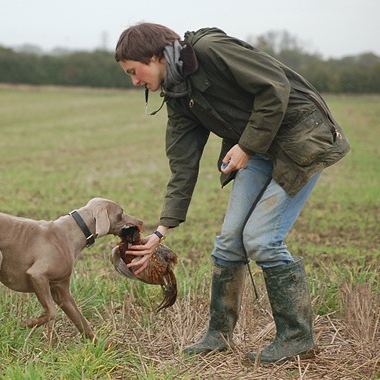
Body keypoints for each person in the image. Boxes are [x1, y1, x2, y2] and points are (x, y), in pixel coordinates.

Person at [114, 22, 350, 363]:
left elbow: (274, 88)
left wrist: (246, 146)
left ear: (154, 57)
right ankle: (218, 335)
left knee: (262, 239)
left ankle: (297, 339)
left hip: (300, 139)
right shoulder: (179, 95)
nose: (135, 81)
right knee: (228, 242)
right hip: (256, 149)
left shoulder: (211, 50)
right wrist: (161, 231)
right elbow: (183, 166)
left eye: (134, 72)